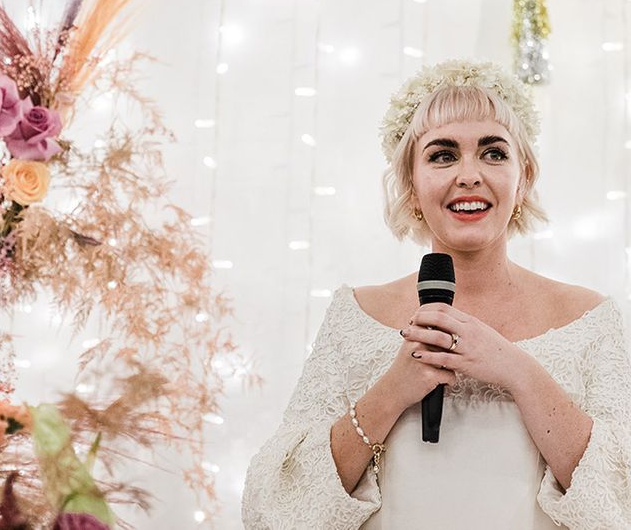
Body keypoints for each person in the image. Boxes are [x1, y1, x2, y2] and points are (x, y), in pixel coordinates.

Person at [241, 59, 631, 529]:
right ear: (410, 183)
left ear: (523, 177)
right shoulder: (356, 314)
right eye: (443, 155)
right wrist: (391, 391)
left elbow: (620, 499)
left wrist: (517, 370)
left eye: (493, 153)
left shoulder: (588, 318)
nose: (469, 175)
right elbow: (276, 506)